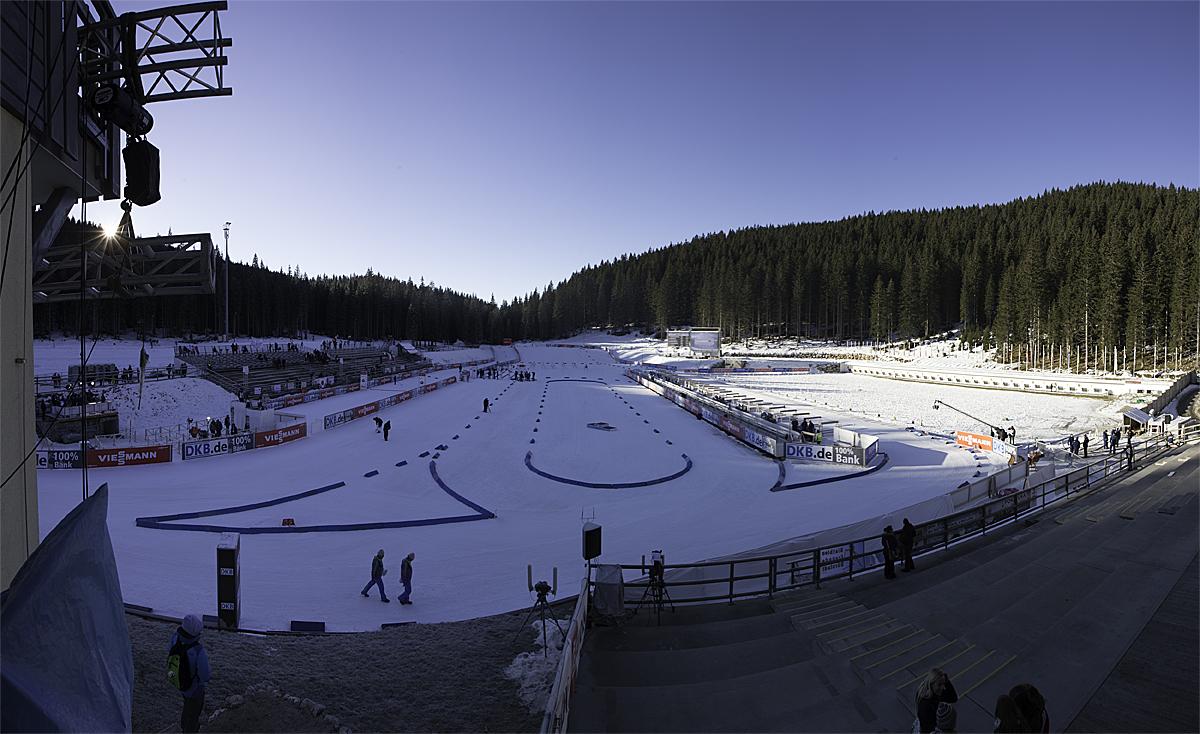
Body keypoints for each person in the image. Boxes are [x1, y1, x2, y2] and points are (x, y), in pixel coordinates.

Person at [168, 614, 211, 733]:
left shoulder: (175, 638)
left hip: (179, 681)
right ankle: (189, 729)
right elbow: (205, 675)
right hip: (194, 688)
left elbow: (169, 651)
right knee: (193, 712)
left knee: (187, 705)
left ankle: (184, 725)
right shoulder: (198, 650)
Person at [915, 668, 958, 734]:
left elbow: (953, 698)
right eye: (939, 684)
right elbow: (927, 728)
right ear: (931, 684)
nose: (942, 687)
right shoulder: (925, 704)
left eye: (943, 684)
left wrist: (947, 681)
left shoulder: (937, 692)